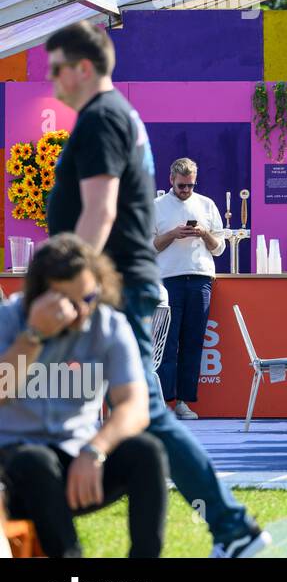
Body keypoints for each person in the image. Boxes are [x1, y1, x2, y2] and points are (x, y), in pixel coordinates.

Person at [43, 21, 267, 557]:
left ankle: (234, 528)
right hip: (120, 284)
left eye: (56, 68)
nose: (51, 80)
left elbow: (100, 210)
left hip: (115, 286)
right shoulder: (118, 116)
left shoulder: (102, 119)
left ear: (83, 68)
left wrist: (77, 284)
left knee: (145, 409)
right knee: (96, 401)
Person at [0, 235, 168, 558]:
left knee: (148, 452)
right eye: (69, 301)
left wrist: (95, 450)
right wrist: (33, 336)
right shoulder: (9, 320)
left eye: (89, 297)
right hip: (14, 466)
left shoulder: (108, 325)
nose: (82, 313)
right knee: (36, 461)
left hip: (81, 458)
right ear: (40, 294)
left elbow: (134, 406)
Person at [152, 157, 226, 421]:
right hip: (168, 279)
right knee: (165, 343)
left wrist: (204, 234)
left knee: (193, 342)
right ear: (171, 180)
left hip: (200, 279)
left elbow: (220, 248)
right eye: (182, 186)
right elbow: (148, 247)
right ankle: (163, 402)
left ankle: (183, 402)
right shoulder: (157, 206)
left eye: (190, 186)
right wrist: (173, 234)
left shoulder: (207, 204)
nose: (186, 191)